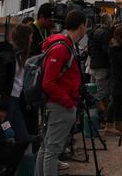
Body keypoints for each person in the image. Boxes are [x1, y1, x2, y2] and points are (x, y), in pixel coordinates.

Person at [36, 10, 88, 176]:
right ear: (81, 26)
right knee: (52, 150)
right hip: (60, 104)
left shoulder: (63, 44)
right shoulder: (62, 48)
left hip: (58, 102)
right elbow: (48, 82)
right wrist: (67, 101)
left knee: (46, 148)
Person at [0, 24, 34, 176]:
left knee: (22, 139)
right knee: (1, 141)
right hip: (6, 104)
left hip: (14, 103)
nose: (32, 41)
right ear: (25, 38)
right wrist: (1, 106)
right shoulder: (10, 55)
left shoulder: (19, 56)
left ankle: (5, 170)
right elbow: (0, 81)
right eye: (31, 38)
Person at [88, 13, 113, 116]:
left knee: (92, 92)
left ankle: (90, 115)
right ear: (108, 21)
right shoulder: (105, 33)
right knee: (101, 94)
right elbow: (106, 51)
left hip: (93, 65)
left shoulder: (94, 31)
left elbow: (89, 48)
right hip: (102, 67)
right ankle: (97, 117)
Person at [106, 24, 122, 136]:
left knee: (119, 100)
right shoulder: (114, 48)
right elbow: (120, 60)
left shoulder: (116, 46)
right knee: (115, 100)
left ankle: (117, 124)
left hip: (118, 76)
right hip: (116, 76)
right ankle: (109, 125)